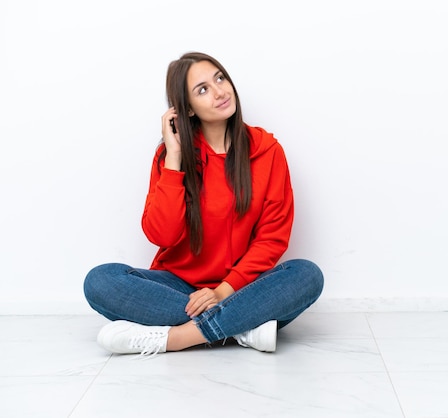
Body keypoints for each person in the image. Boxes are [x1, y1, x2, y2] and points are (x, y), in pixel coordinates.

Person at [83, 52, 324, 356]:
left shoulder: (267, 151)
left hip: (242, 288)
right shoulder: (169, 158)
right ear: (188, 110)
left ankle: (177, 338)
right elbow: (163, 236)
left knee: (307, 275)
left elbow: (272, 239)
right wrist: (173, 159)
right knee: (100, 281)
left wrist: (223, 292)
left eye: (220, 78)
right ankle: (243, 328)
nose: (220, 91)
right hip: (180, 289)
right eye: (203, 89)